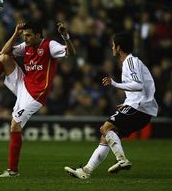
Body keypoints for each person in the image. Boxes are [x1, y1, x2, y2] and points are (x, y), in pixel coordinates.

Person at [0, 21, 76, 177]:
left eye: (28, 35)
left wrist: (65, 36)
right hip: (23, 84)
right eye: (24, 35)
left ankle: (13, 170)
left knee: (15, 126)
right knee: (3, 59)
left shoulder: (49, 45)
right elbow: (3, 52)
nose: (25, 38)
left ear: (38, 35)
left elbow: (71, 53)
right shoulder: (25, 46)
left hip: (36, 95)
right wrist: (15, 34)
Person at [64, 32, 158, 179]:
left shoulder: (130, 62)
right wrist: (128, 103)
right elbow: (140, 87)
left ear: (118, 47)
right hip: (140, 108)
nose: (112, 47)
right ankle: (86, 171)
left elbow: (138, 85)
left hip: (141, 108)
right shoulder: (130, 62)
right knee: (105, 137)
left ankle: (121, 160)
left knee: (105, 128)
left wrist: (114, 83)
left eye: (113, 44)